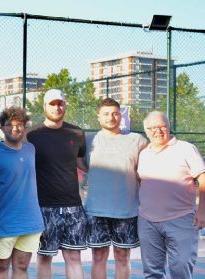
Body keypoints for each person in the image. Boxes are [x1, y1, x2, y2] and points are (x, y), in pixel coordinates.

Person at [137, 111, 205, 278]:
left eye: (162, 126)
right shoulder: (143, 153)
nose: (157, 131)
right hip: (147, 221)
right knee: (152, 272)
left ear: (169, 127)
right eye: (152, 127)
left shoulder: (186, 149)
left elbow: (204, 179)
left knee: (180, 268)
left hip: (182, 219)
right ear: (146, 130)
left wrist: (203, 211)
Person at [83, 98, 146, 279]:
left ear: (121, 115)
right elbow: (80, 162)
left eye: (115, 113)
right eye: (106, 114)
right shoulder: (89, 140)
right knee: (98, 257)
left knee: (122, 257)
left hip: (126, 210)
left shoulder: (137, 140)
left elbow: (147, 168)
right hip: (96, 210)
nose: (111, 117)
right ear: (98, 117)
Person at [26, 89, 86, 279]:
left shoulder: (77, 133)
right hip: (44, 207)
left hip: (73, 207)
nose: (57, 107)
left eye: (60, 103)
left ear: (65, 105)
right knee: (44, 257)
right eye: (52, 104)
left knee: (74, 256)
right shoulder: (31, 135)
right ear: (44, 107)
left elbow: (81, 163)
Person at [0, 107, 44, 279]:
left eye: (19, 124)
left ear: (25, 127)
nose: (14, 128)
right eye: (9, 124)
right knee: (1, 267)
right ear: (2, 128)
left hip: (31, 222)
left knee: (21, 267)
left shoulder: (30, 149)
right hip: (4, 223)